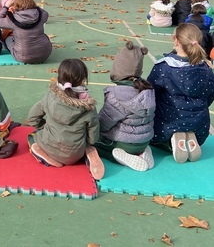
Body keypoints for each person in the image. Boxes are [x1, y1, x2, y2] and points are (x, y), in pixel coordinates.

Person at [26, 58, 104, 180]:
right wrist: (89, 143)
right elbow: (93, 135)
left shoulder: (50, 97)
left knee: (31, 136)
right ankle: (87, 155)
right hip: (75, 154)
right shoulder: (89, 107)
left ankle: (41, 153)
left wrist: (43, 126)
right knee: (87, 144)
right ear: (83, 80)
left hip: (49, 145)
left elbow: (32, 117)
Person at [147, 23, 214, 163]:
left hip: (169, 123)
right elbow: (210, 96)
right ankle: (189, 134)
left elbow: (151, 93)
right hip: (200, 125)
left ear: (176, 40)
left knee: (155, 104)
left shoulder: (164, 67)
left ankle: (173, 139)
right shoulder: (207, 69)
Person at [96, 42, 156, 171]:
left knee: (93, 144)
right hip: (144, 140)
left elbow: (104, 123)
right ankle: (142, 152)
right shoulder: (148, 90)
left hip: (124, 143)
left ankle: (116, 155)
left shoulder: (116, 95)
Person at [0, 0, 52, 64]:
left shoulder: (12, 20)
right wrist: (34, 6)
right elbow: (45, 13)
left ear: (16, 6)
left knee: (8, 39)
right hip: (45, 54)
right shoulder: (41, 15)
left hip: (23, 56)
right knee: (44, 35)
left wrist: (6, 6)